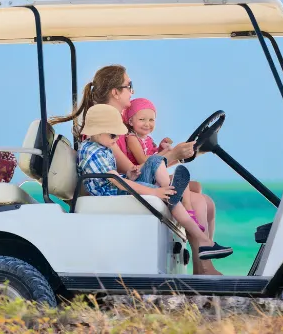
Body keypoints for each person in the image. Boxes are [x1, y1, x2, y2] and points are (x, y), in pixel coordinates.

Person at [51, 65, 220, 273]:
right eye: (129, 86)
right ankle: (204, 266)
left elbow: (137, 165)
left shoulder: (113, 126)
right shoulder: (105, 132)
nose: (133, 91)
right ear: (115, 92)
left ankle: (203, 263)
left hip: (131, 180)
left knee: (203, 197)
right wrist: (174, 156)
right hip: (119, 187)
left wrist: (177, 154)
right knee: (197, 200)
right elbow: (130, 168)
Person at [77, 104, 232, 263]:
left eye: (118, 135)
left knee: (155, 160)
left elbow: (116, 177)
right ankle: (204, 241)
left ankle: (169, 190)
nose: (116, 139)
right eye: (113, 135)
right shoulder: (92, 152)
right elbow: (118, 183)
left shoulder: (102, 145)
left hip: (118, 184)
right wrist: (155, 192)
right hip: (112, 192)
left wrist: (129, 174)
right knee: (168, 195)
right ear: (96, 130)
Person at [118, 97, 206, 232]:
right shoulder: (132, 138)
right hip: (144, 175)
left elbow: (155, 155)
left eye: (151, 120)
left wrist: (161, 147)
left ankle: (190, 215)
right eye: (142, 119)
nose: (147, 124)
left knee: (195, 186)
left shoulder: (148, 139)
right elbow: (144, 160)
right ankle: (187, 216)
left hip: (154, 173)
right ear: (130, 121)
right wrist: (168, 152)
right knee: (183, 186)